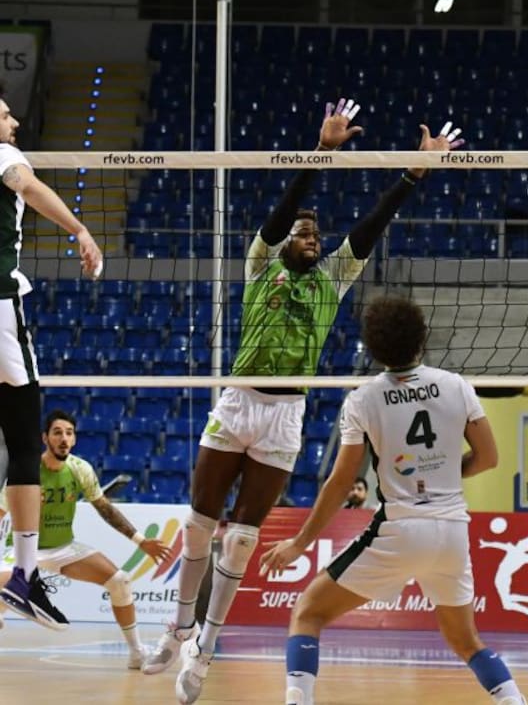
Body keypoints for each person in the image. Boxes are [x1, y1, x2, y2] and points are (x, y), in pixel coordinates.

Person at [143, 99, 460, 704]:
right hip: (238, 401)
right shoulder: (261, 263)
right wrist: (321, 152)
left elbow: (371, 225)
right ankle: (177, 626)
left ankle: (205, 646)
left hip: (286, 415)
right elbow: (284, 210)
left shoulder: (332, 278)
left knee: (241, 539)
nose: (312, 238)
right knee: (198, 526)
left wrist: (413, 174)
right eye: (304, 232)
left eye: (317, 233)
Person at [259, 295, 526, 705]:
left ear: (372, 346)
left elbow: (341, 481)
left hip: (400, 529)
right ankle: (514, 700)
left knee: (308, 612)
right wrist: (441, 474)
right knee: (466, 641)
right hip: (452, 532)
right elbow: (489, 458)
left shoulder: (363, 399)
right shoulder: (456, 385)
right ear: (421, 337)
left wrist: (299, 543)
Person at [0, 89, 104, 630]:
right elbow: (27, 185)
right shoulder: (4, 156)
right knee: (24, 442)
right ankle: (23, 576)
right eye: (3, 114)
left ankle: (23, 577)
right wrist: (80, 230)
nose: (13, 121)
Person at [0, 410, 172, 667]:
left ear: (74, 439)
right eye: (57, 433)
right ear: (45, 438)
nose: (64, 439)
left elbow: (105, 509)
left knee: (120, 581)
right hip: (23, 551)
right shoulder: (26, 472)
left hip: (63, 549)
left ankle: (137, 652)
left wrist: (140, 540)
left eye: (69, 433)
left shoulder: (80, 468)